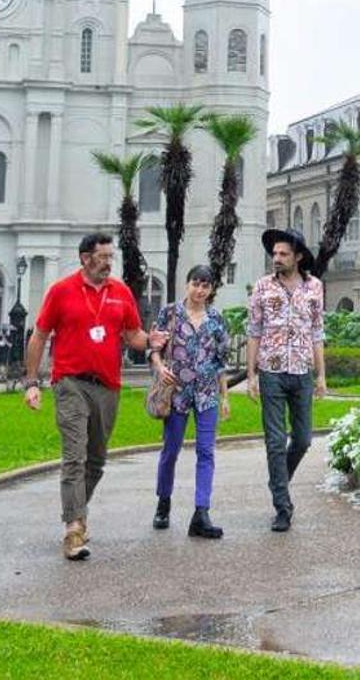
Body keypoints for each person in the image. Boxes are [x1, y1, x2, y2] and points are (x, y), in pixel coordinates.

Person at [22, 232, 164, 561]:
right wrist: (31, 382)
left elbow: (132, 334)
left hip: (108, 386)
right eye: (103, 257)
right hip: (70, 383)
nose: (108, 263)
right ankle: (73, 529)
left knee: (96, 461)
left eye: (111, 257)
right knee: (75, 455)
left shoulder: (120, 292)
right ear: (85, 258)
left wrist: (151, 340)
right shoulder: (61, 291)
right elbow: (39, 335)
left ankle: (77, 512)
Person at [244, 228, 328, 532]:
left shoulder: (315, 287)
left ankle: (277, 480)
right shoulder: (263, 287)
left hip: (302, 371)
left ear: (298, 257)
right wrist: (251, 375)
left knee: (303, 439)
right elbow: (254, 331)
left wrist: (321, 375)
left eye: (283, 254)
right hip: (272, 372)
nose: (276, 258)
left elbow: (317, 331)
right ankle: (282, 506)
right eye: (275, 253)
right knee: (276, 441)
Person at [148, 265, 231, 538]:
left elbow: (221, 361)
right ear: (187, 284)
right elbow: (154, 348)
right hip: (177, 392)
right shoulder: (170, 313)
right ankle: (163, 502)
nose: (200, 290)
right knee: (171, 450)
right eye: (196, 284)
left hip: (206, 393)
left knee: (206, 452)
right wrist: (160, 367)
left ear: (211, 289)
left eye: (205, 285)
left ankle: (201, 512)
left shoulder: (217, 319)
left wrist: (225, 397)